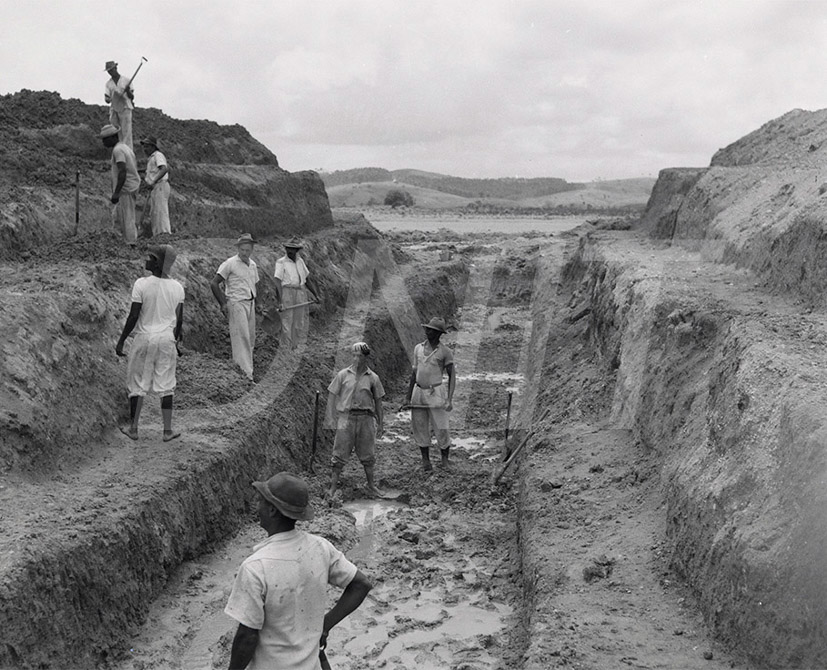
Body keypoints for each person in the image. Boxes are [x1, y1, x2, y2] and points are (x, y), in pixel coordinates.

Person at [225, 472, 372, 670]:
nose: (256, 507)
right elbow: (360, 585)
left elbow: (247, 637)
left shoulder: (255, 567)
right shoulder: (320, 547)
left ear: (272, 511)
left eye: (261, 501)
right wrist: (325, 625)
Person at [115, 244, 184, 442]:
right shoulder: (178, 288)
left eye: (150, 258)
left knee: (137, 383)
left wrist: (121, 341)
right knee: (166, 384)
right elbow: (179, 320)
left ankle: (134, 428)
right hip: (166, 340)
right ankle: (167, 431)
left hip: (144, 339)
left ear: (157, 263)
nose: (146, 260)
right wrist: (175, 341)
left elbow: (133, 315)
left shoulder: (142, 284)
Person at [326, 342, 385, 499]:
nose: (356, 358)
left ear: (366, 357)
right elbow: (331, 395)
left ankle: (371, 485)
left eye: (359, 355)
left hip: (366, 418)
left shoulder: (373, 378)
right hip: (346, 418)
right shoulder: (343, 375)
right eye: (354, 355)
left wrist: (380, 423)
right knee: (339, 454)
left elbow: (378, 401)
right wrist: (330, 417)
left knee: (368, 454)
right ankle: (332, 488)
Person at [403, 317, 456, 471]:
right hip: (418, 391)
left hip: (436, 392)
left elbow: (452, 376)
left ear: (439, 334)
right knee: (419, 425)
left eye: (432, 331)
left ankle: (444, 460)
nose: (428, 332)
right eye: (427, 329)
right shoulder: (418, 349)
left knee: (441, 426)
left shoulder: (445, 352)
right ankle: (425, 460)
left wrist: (449, 399)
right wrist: (407, 397)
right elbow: (414, 373)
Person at [211, 234, 260, 381]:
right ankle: (245, 375)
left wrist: (259, 303)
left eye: (248, 250)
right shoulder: (230, 264)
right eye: (242, 250)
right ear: (238, 249)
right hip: (236, 303)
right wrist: (223, 303)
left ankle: (247, 371)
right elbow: (214, 283)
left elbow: (255, 284)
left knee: (250, 337)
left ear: (252, 249)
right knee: (241, 337)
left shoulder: (252, 265)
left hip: (250, 303)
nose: (245, 253)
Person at [273, 239, 320, 350]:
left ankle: (294, 346)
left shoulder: (300, 262)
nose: (290, 251)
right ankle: (286, 348)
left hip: (300, 292)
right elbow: (277, 282)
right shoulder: (281, 262)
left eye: (292, 249)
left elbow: (307, 279)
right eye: (288, 249)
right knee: (287, 320)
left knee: (299, 321)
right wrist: (280, 302)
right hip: (287, 292)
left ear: (296, 250)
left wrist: (316, 295)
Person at [101, 123, 140, 246]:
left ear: (112, 137)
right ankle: (121, 244)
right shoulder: (125, 147)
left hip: (126, 189)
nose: (103, 142)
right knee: (118, 218)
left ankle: (131, 244)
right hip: (130, 186)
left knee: (127, 218)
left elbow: (122, 171)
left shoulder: (118, 150)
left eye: (105, 139)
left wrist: (117, 192)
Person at [140, 136, 171, 235]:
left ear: (153, 147)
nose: (145, 149)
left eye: (147, 146)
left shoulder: (158, 155)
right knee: (155, 213)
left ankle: (164, 234)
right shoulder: (151, 158)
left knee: (160, 212)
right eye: (144, 147)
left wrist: (152, 181)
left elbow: (164, 169)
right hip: (155, 187)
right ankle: (158, 235)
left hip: (160, 185)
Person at [104, 60, 134, 149]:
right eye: (108, 71)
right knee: (116, 130)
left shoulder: (126, 80)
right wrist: (109, 99)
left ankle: (128, 151)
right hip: (114, 108)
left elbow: (131, 96)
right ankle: (120, 150)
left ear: (116, 68)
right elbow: (106, 98)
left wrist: (128, 91)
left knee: (126, 131)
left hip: (125, 107)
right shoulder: (108, 84)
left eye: (111, 70)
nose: (110, 72)